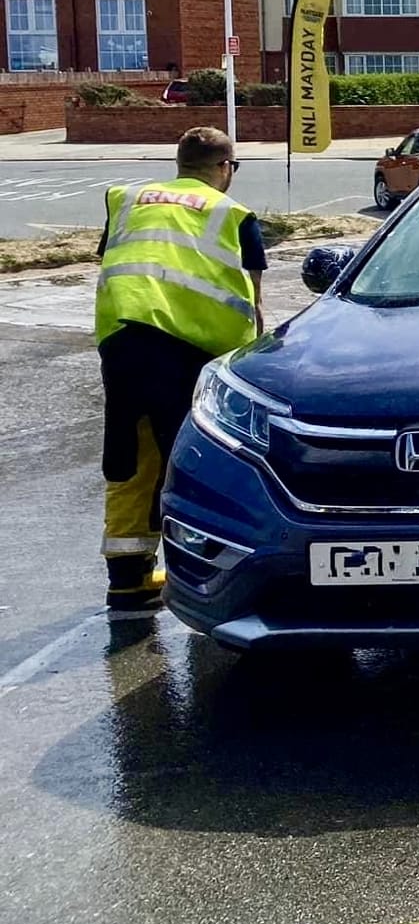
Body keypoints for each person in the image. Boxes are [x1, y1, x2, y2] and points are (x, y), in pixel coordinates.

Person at [94, 127, 265, 616]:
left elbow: (119, 261)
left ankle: (126, 580)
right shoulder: (232, 215)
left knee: (131, 452)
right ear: (225, 167)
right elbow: (254, 302)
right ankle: (199, 574)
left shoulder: (127, 200)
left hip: (123, 340)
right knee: (193, 461)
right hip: (192, 351)